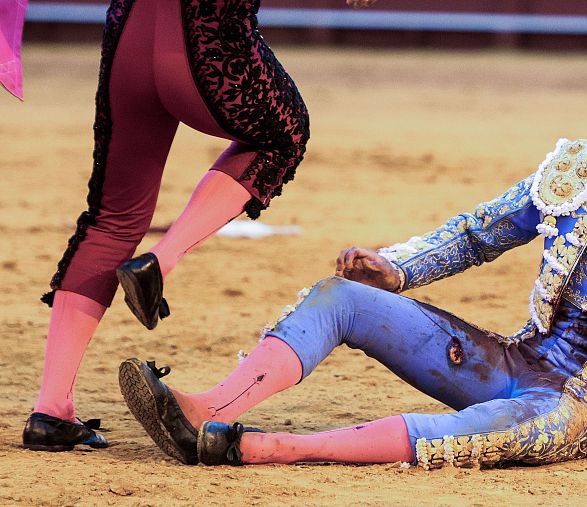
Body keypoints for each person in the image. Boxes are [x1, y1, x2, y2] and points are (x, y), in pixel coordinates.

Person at [119, 69, 587, 467]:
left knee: (479, 433)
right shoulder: (576, 175)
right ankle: (202, 411)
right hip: (515, 359)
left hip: (579, 408)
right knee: (341, 295)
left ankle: (252, 447)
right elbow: (475, 234)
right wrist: (393, 268)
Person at [22, 0, 379, 451]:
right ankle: (161, 260)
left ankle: (50, 411)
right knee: (282, 134)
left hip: (129, 26)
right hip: (204, 32)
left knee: (112, 216)